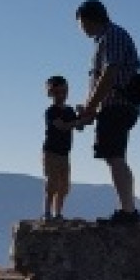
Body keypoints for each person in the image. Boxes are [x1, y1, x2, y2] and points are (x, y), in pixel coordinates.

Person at [75, 0, 140, 225]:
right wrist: (90, 109)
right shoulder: (107, 37)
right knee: (116, 156)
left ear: (89, 19)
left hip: (117, 105)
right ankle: (127, 209)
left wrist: (92, 106)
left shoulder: (112, 35)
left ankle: (127, 212)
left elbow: (108, 74)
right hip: (116, 105)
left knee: (114, 156)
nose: (80, 28)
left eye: (81, 23)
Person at [42, 76, 80, 221]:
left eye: (63, 92)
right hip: (51, 152)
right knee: (52, 183)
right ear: (50, 94)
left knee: (64, 186)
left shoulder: (70, 111)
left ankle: (57, 213)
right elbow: (62, 126)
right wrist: (79, 121)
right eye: (57, 93)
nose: (61, 96)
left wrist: (82, 114)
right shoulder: (50, 112)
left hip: (65, 153)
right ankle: (47, 213)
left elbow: (80, 127)